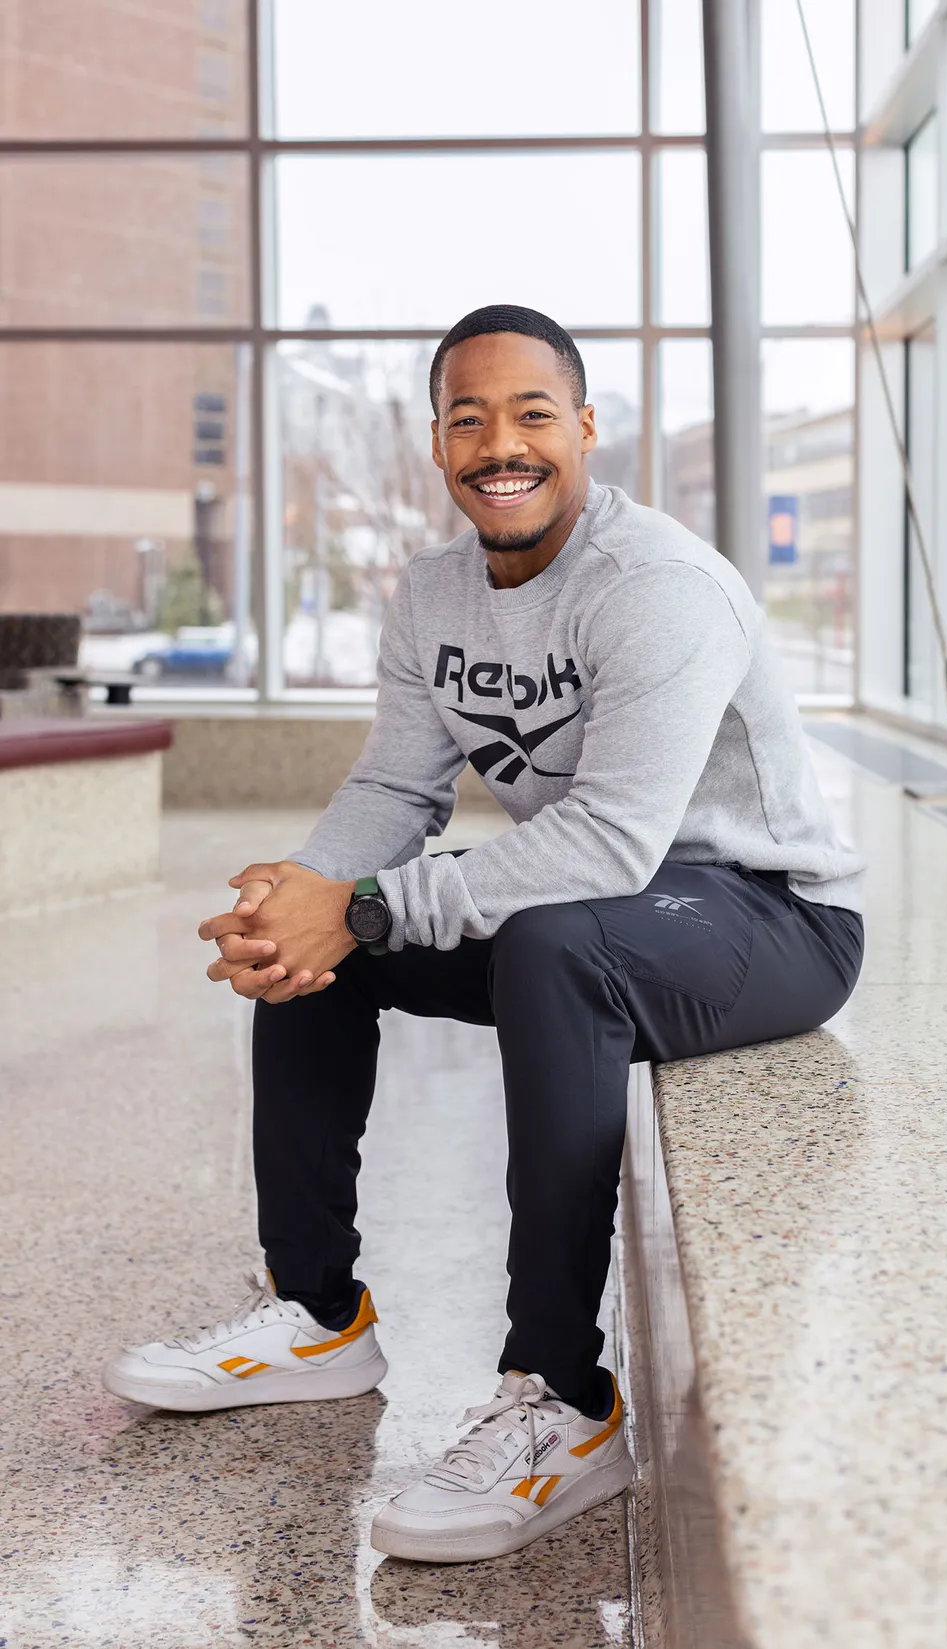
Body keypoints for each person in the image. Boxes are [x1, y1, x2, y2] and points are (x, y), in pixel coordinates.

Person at [103, 304, 864, 1564]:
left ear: (582, 430)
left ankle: (562, 1397)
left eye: (529, 415)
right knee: (313, 936)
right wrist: (308, 889)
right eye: (467, 417)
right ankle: (317, 1310)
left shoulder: (658, 587)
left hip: (764, 913)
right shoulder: (436, 590)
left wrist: (361, 903)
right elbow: (396, 794)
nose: (498, 444)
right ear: (438, 443)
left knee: (544, 939)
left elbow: (613, 845)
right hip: (591, 907)